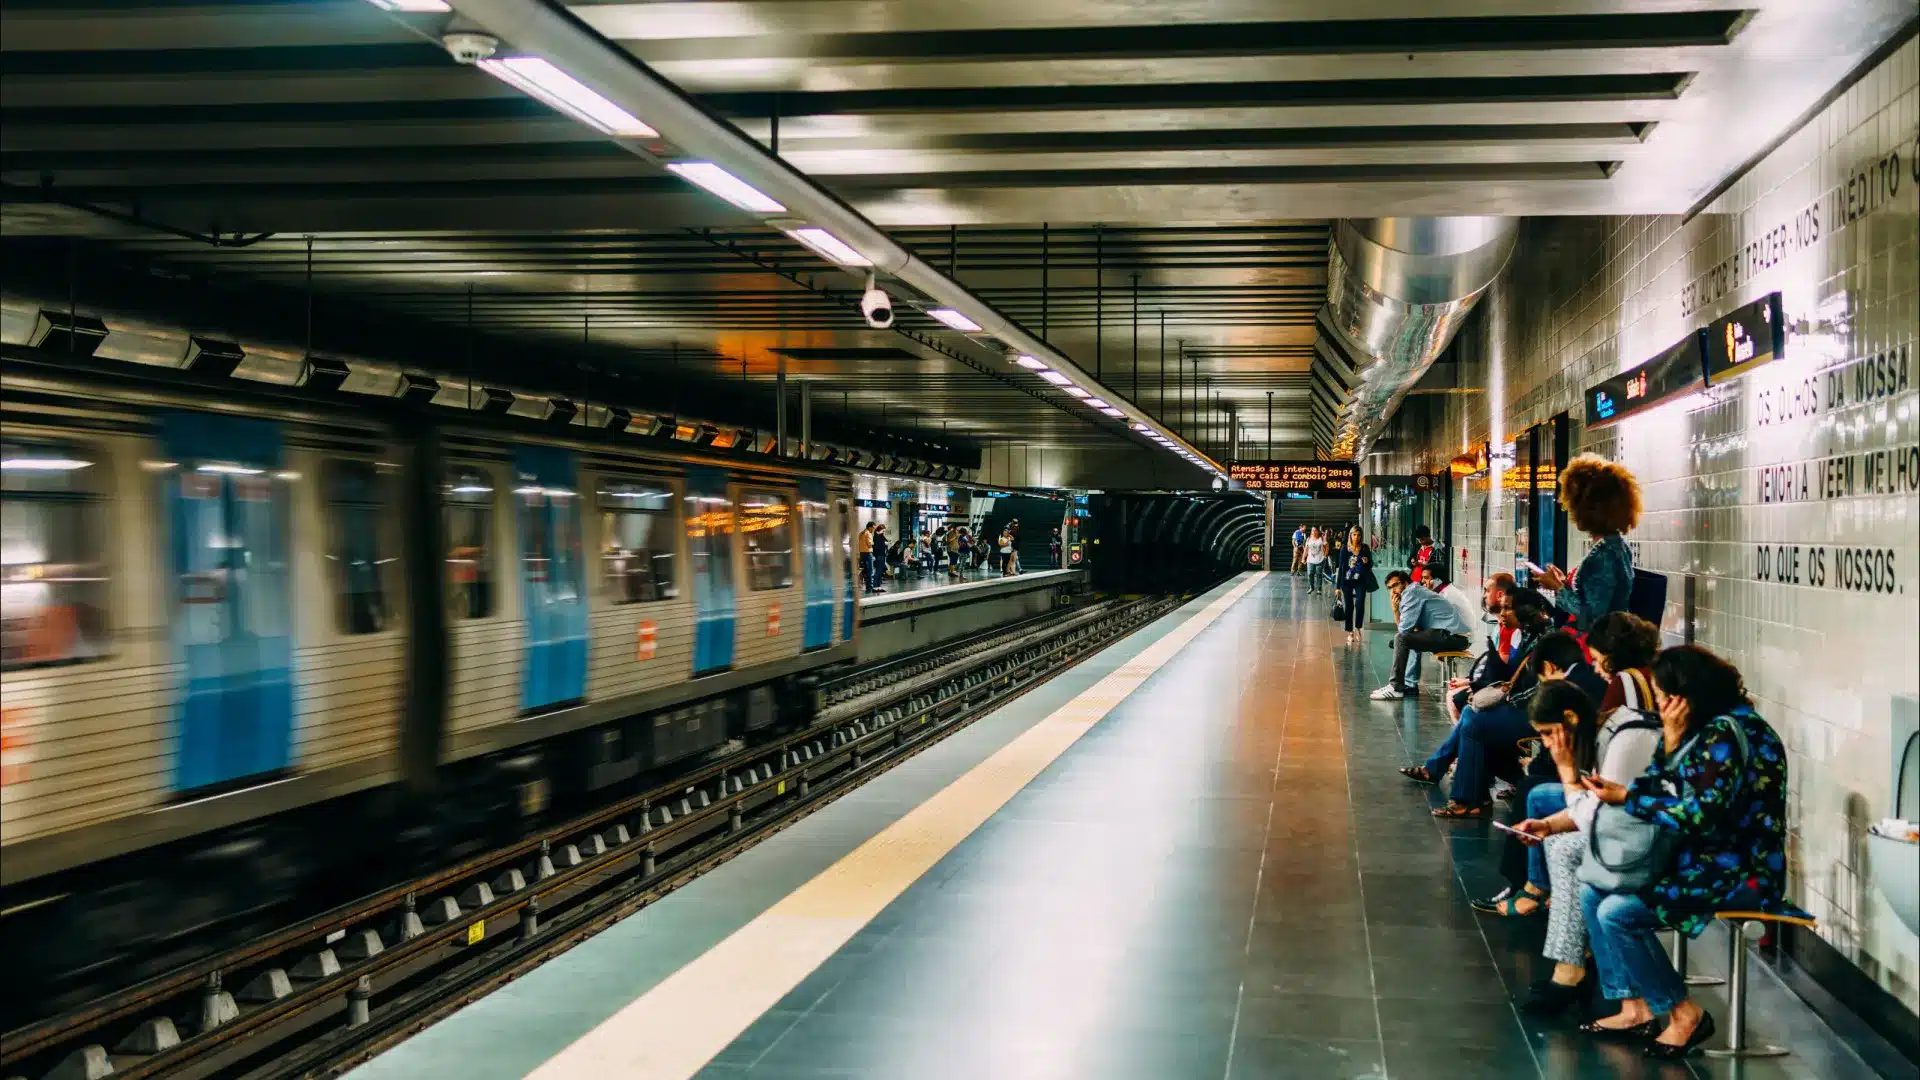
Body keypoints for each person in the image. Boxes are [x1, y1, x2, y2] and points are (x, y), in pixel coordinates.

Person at [1520, 646, 1792, 1059]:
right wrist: (1668, 742)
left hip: (1739, 870)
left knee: (1617, 912)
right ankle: (1634, 1006)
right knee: (1591, 888)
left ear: (1688, 694)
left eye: (1665, 695)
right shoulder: (1704, 730)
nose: (1660, 704)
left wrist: (1629, 796)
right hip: (1702, 861)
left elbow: (1697, 815)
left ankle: (1683, 1014)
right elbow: (1661, 786)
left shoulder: (1728, 735)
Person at [1502, 613, 1664, 1012]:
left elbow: (1594, 817)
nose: (1546, 743)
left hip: (1651, 840)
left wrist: (1567, 771)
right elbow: (1592, 809)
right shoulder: (1605, 732)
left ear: (1570, 720)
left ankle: (1570, 970)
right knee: (1556, 840)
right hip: (1633, 830)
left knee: (1566, 850)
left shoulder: (1625, 739)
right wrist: (1547, 825)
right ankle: (1569, 966)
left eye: (1546, 734)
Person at [1423, 629, 1605, 818]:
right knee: (1473, 719)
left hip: (1552, 739)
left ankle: (1467, 797)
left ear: (1549, 667)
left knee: (1475, 723)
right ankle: (1470, 794)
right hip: (1555, 736)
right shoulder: (1583, 674)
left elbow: (1535, 699)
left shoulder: (1567, 686)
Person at [1533, 455, 1641, 631]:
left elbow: (1592, 617)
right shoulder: (1618, 546)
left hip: (1598, 647)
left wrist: (1558, 588)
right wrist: (1565, 584)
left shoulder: (1603, 555)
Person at [1370, 563, 1473, 701]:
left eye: (1395, 585)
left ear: (1405, 582)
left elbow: (1403, 630)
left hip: (1453, 637)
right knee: (1408, 639)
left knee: (1401, 639)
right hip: (1451, 635)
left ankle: (1395, 687)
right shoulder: (1414, 591)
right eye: (1389, 588)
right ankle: (1409, 685)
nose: (1393, 591)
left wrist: (1395, 610)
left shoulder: (1411, 592)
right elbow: (1409, 630)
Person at [1335, 527, 1375, 644]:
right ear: (1350, 536)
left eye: (1358, 535)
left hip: (1360, 581)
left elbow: (1370, 566)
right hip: (1347, 581)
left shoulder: (1365, 548)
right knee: (1349, 606)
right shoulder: (1344, 549)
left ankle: (1358, 628)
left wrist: (1367, 562)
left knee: (1360, 604)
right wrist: (1338, 587)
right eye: (1354, 535)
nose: (1356, 537)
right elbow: (1341, 568)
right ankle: (1349, 631)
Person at [1304, 527, 1329, 595]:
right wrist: (1303, 557)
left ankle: (1319, 589)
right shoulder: (1308, 539)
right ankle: (1311, 587)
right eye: (1312, 531)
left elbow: (1327, 546)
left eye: (1315, 531)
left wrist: (1325, 556)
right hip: (1310, 560)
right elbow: (1306, 549)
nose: (1314, 532)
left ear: (1318, 531)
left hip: (1320, 559)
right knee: (1310, 574)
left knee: (1319, 574)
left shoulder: (1322, 538)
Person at [857, 522, 880, 593]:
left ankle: (868, 588)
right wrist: (874, 543)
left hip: (862, 553)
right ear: (869, 527)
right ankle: (869, 588)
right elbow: (870, 544)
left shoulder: (861, 533)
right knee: (870, 571)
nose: (873, 529)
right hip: (868, 553)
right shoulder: (868, 534)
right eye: (873, 528)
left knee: (865, 571)